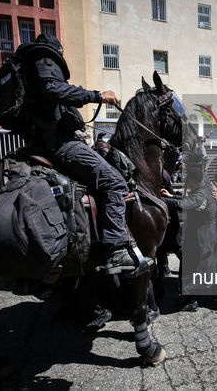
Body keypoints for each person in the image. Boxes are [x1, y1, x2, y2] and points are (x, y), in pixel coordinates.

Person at [25, 33, 133, 273]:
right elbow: (54, 89)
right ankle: (116, 250)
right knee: (114, 182)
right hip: (58, 142)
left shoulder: (26, 67)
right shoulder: (43, 57)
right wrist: (97, 96)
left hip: (41, 140)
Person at [165, 166, 217, 311]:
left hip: (200, 237)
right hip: (210, 235)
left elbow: (183, 204)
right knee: (209, 266)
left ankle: (191, 301)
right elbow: (189, 199)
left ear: (190, 181)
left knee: (191, 267)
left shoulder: (200, 194)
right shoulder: (205, 188)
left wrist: (159, 200)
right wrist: (172, 196)